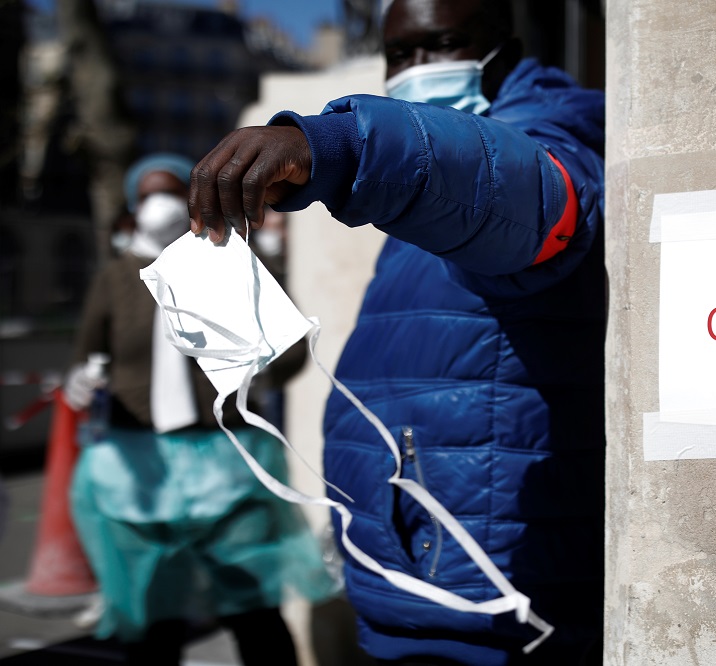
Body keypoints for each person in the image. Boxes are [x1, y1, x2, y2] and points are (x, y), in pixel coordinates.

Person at [188, 0, 605, 663]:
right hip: (418, 584)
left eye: (443, 43)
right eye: (400, 54)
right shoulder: (428, 200)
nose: (418, 68)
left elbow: (525, 194)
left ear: (505, 52)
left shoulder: (549, 138)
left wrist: (339, 147)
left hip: (495, 602)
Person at [64, 153, 336, 666]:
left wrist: (256, 370)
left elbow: (291, 347)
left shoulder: (227, 263)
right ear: (132, 207)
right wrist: (83, 378)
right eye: (148, 196)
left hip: (225, 457)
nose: (160, 205)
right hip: (141, 465)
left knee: (252, 607)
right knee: (153, 613)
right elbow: (88, 354)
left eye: (171, 191)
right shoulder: (115, 278)